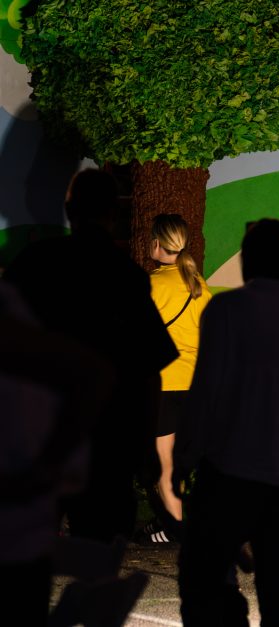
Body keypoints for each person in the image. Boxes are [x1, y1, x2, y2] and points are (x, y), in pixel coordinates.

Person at [174, 219, 279, 626]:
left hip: (232, 474)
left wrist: (182, 461)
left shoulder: (227, 310)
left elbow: (206, 392)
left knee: (204, 583)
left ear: (249, 261)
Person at [4, 168, 177, 543]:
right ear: (113, 212)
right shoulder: (127, 276)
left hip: (38, 433)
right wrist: (147, 448)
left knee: (23, 557)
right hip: (107, 437)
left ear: (69, 209)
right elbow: (150, 369)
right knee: (98, 562)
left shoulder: (35, 262)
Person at [140, 214, 212, 544]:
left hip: (163, 385)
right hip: (194, 386)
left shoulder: (151, 285)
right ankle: (172, 522)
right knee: (178, 464)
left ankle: (177, 529)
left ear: (156, 243)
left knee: (163, 466)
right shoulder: (199, 286)